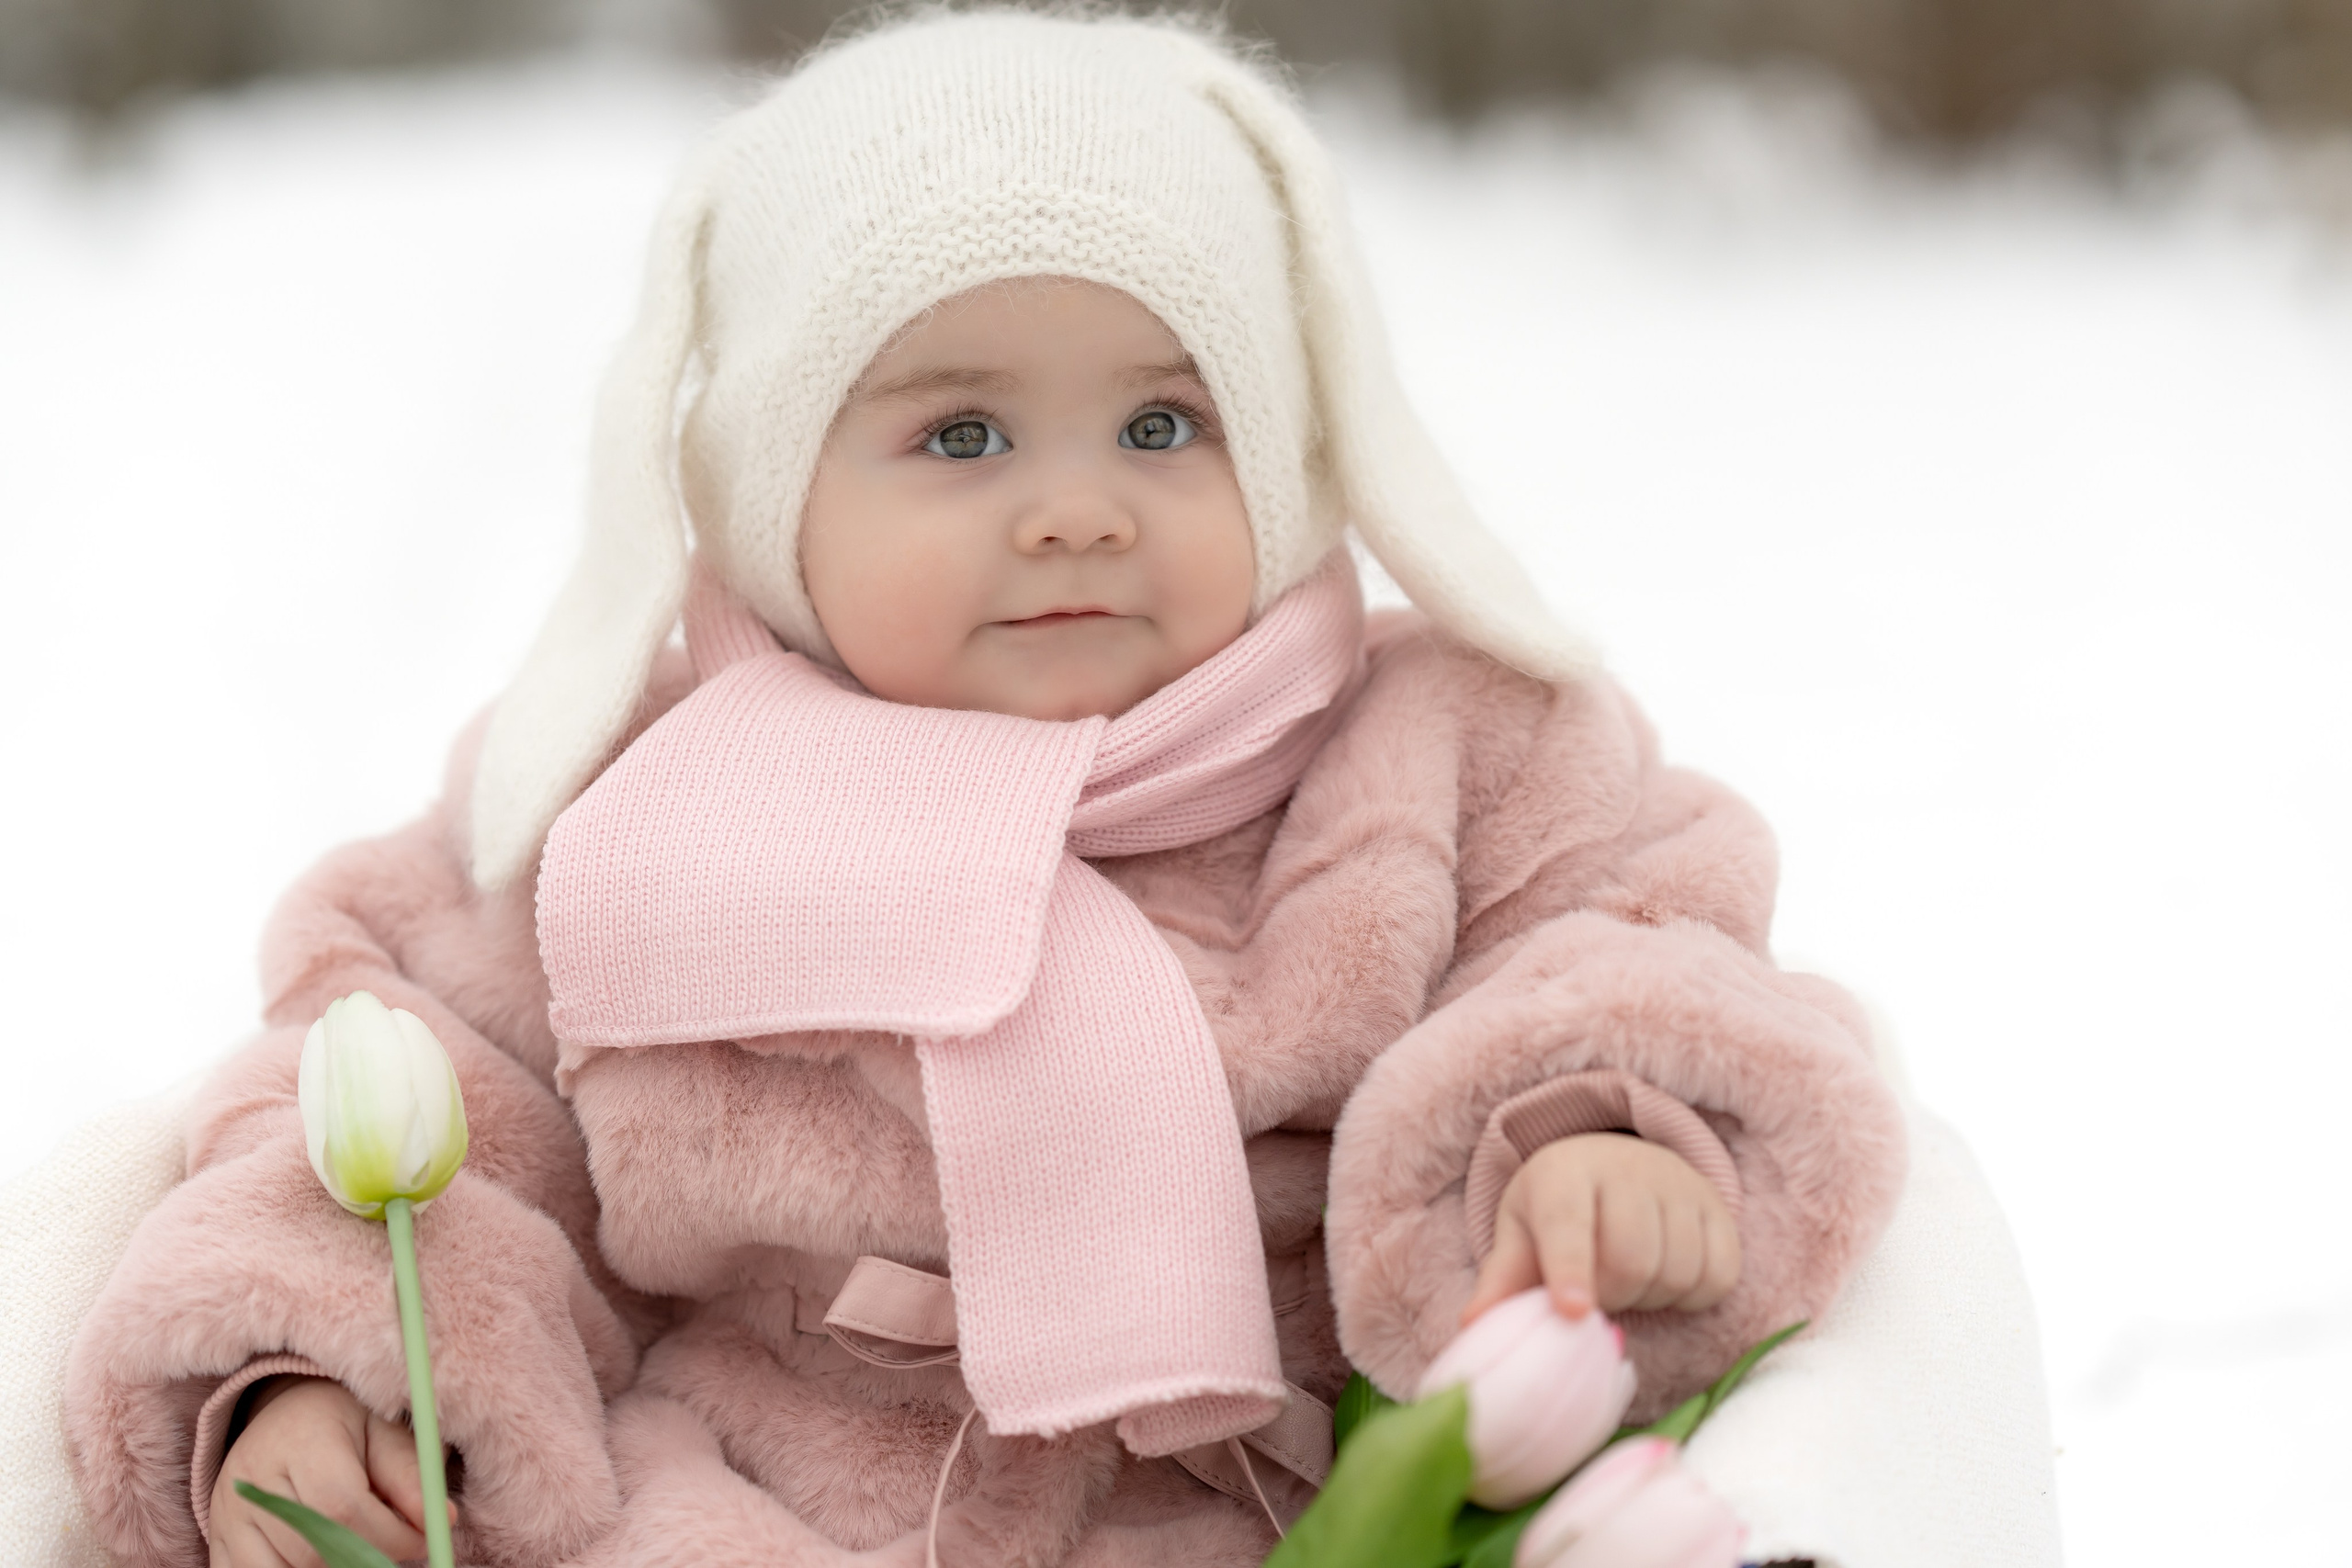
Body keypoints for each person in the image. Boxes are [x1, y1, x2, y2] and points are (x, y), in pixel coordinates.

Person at [62, 12, 1907, 1567]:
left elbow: (1616, 937)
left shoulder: (1444, 744)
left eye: (1162, 424)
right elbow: (408, 1099)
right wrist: (312, 1371)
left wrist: (1593, 1135)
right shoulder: (621, 793)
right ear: (772, 492)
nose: (1075, 503)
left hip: (1257, 1504)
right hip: (759, 1488)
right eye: (959, 434)